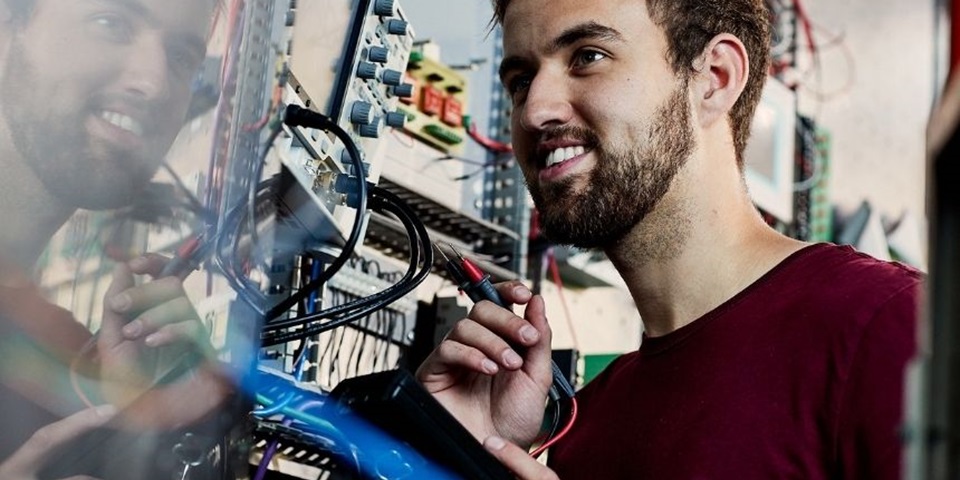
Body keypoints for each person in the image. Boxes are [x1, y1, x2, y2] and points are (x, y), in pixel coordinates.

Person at [415, 0, 923, 478]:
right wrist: (468, 454)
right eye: (521, 81)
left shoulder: (892, 330)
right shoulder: (586, 430)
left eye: (587, 56)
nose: (533, 112)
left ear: (715, 78)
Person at [0, 0, 230, 478]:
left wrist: (136, 424)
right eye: (111, 24)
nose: (153, 82)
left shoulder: (63, 359)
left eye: (182, 57)